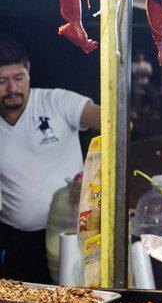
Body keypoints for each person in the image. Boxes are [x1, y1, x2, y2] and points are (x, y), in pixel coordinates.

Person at [0, 34, 101, 283]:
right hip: (17, 240)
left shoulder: (56, 101)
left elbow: (117, 123)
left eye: (18, 78)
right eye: (1, 81)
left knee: (75, 302)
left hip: (70, 233)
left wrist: (97, 173)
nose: (12, 88)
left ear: (29, 71)